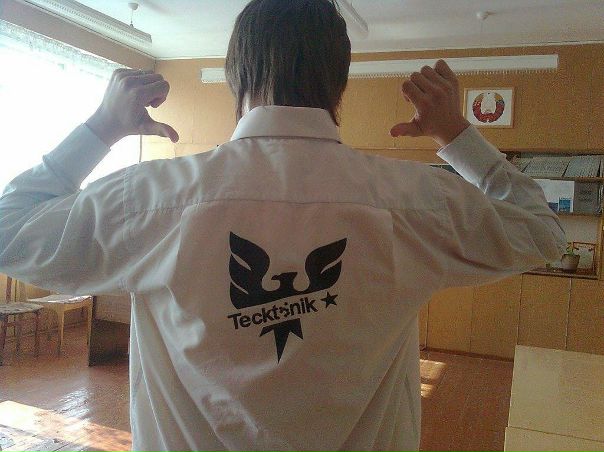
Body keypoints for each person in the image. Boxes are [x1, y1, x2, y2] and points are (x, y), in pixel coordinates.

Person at [0, 0, 565, 450]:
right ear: (339, 83)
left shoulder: (151, 198)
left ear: (235, 75)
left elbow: (8, 231)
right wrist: (457, 137)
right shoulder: (416, 199)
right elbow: (542, 231)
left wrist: (101, 127)